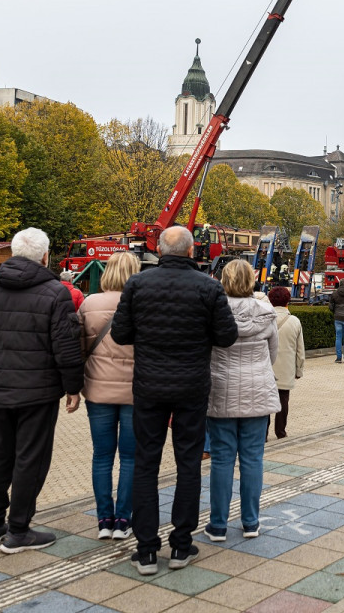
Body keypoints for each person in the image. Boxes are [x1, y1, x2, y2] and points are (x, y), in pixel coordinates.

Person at [110, 225, 238, 576]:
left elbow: (120, 333)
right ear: (192, 250)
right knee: (188, 464)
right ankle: (181, 546)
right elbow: (227, 337)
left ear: (161, 250)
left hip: (149, 387)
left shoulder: (138, 284)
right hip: (192, 387)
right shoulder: (209, 287)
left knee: (145, 465)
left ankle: (147, 550)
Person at [0, 227, 84, 554]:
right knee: (30, 458)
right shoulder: (54, 292)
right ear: (46, 256)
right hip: (39, 391)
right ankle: (18, 529)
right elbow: (66, 346)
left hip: (0, 389)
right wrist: (72, 386)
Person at [204, 260, 279, 543]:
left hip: (221, 390)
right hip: (258, 392)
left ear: (223, 279)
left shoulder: (213, 313)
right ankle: (251, 522)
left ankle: (218, 525)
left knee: (222, 459)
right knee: (252, 458)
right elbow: (273, 355)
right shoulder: (266, 312)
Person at [79, 251, 143, 541]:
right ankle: (123, 520)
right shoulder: (142, 304)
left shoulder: (90, 304)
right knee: (130, 458)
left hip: (98, 390)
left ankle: (103, 519)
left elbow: (78, 348)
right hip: (134, 391)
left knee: (102, 456)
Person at [268, 285, 305, 439]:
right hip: (286, 369)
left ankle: (262, 435)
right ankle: (281, 432)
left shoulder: (265, 319)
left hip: (266, 369)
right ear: (287, 301)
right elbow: (300, 351)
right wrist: (299, 370)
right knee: (283, 401)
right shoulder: (294, 321)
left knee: (265, 403)